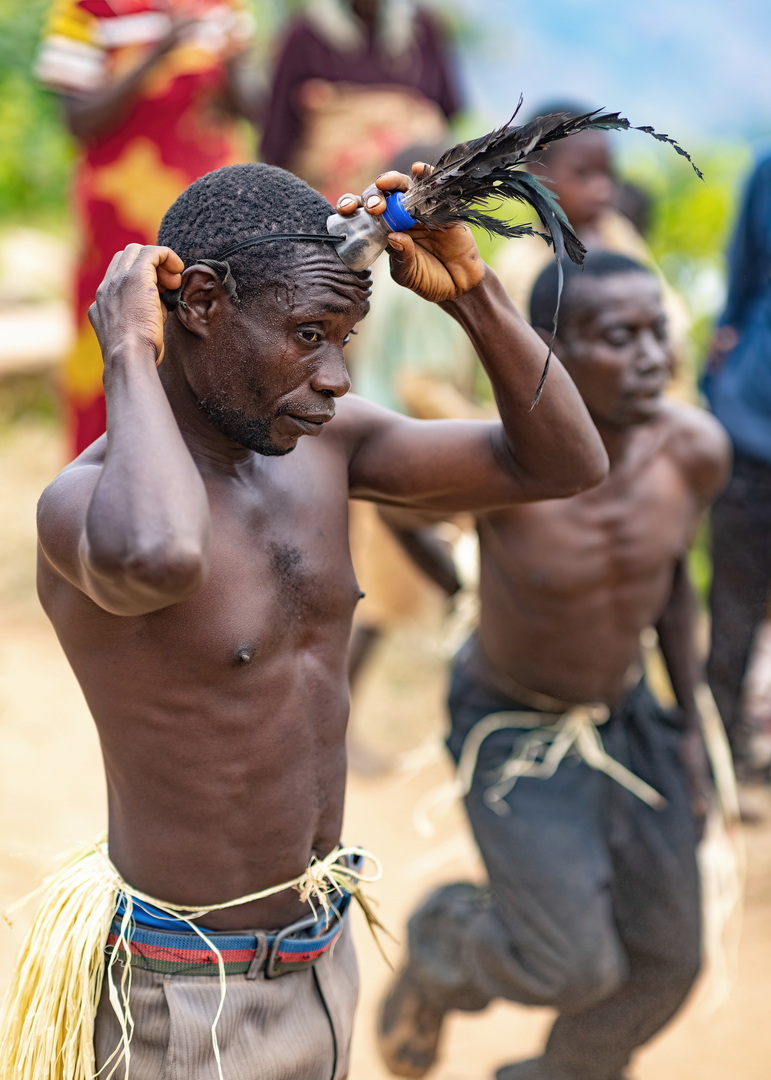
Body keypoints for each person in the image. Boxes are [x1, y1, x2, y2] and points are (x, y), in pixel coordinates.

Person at [0, 162, 607, 1079]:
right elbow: (163, 557)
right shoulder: (85, 506)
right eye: (309, 335)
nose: (335, 376)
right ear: (197, 302)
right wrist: (128, 350)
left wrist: (471, 293)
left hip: (319, 952)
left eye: (347, 338)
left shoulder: (326, 444)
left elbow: (562, 463)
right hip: (178, 991)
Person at [378, 252, 730, 1080]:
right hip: (512, 722)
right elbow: (392, 506)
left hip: (630, 716)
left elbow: (670, 581)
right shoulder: (502, 466)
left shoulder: (692, 451)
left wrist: (689, 725)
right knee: (573, 965)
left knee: (668, 961)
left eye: (657, 332)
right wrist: (462, 582)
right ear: (551, 348)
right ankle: (444, 943)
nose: (651, 355)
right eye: (619, 336)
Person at [35, 0, 262, 458]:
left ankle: (210, 488)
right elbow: (78, 121)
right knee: (118, 334)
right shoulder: (87, 10)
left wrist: (236, 61)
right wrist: (160, 52)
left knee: (208, 336)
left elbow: (253, 110)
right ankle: (101, 482)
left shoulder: (221, 7)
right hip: (120, 221)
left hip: (211, 216)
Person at [493, 102, 690, 378]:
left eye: (607, 174)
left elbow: (671, 318)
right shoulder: (521, 262)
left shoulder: (616, 232)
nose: (603, 189)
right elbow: (526, 360)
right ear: (536, 175)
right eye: (583, 174)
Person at [702, 150, 771, 774]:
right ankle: (720, 757)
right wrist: (714, 388)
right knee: (734, 606)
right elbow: (743, 282)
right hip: (752, 425)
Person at [261, 0, 460, 204]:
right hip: (338, 187)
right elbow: (278, 136)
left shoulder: (421, 31)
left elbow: (447, 108)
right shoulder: (305, 36)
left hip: (415, 176)